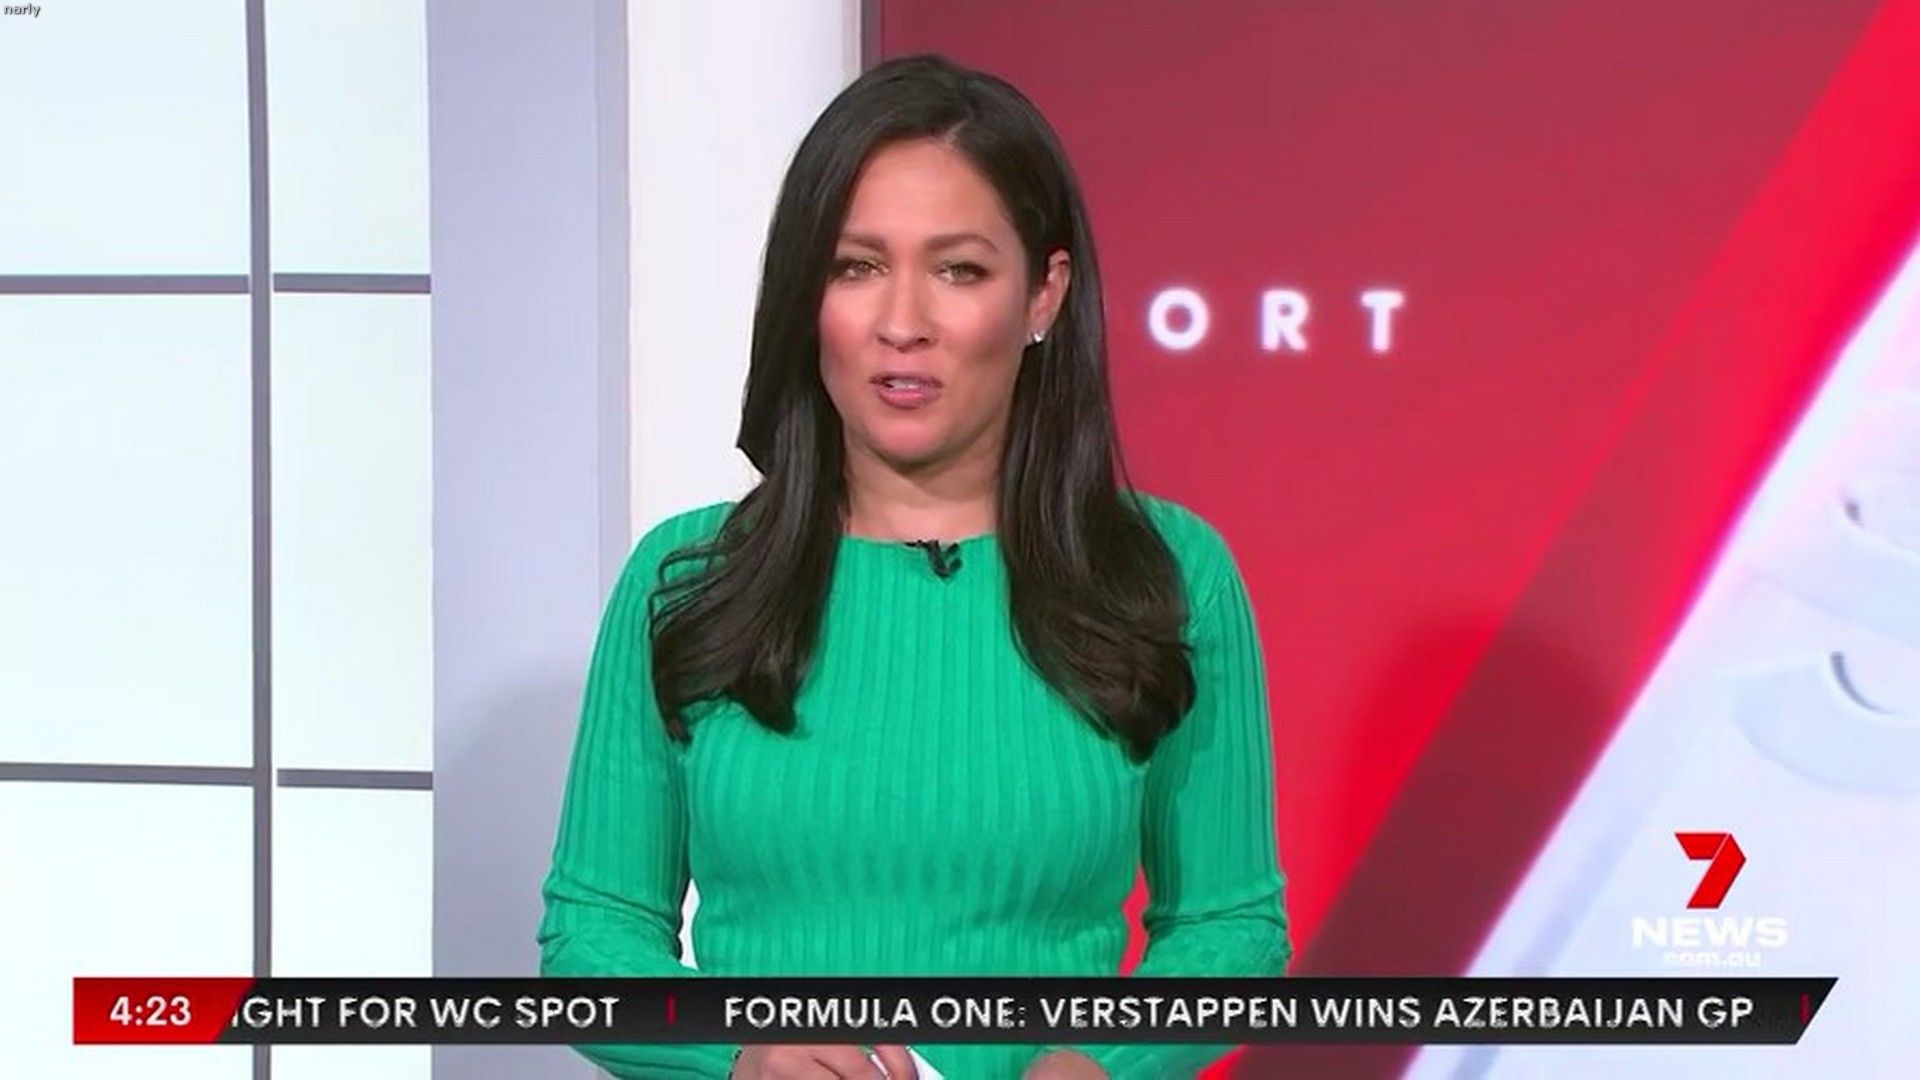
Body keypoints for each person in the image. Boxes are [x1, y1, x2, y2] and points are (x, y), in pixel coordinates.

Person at [537, 53, 1290, 1079]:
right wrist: (739, 1055)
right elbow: (591, 942)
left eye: (959, 271)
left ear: (1043, 294)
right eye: (856, 268)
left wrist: (1103, 1062)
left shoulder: (1165, 575)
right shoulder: (686, 579)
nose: (902, 323)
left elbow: (1230, 930)